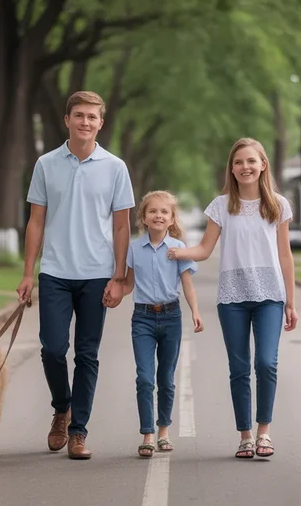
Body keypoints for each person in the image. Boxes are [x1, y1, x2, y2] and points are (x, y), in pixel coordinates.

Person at [17, 90, 135, 460]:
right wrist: (27, 273)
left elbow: (122, 227)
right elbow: (36, 222)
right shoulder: (46, 164)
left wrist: (119, 276)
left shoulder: (115, 167)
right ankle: (61, 409)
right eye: (79, 115)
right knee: (52, 349)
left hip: (97, 274)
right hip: (54, 271)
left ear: (101, 123)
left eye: (92, 117)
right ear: (67, 120)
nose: (86, 122)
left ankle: (78, 431)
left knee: (87, 354)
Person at [167, 137, 298, 460]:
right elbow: (204, 249)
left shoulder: (278, 205)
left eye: (251, 161)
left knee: (266, 362)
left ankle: (264, 432)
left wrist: (291, 302)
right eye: (239, 162)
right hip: (233, 298)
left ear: (263, 164)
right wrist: (175, 250)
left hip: (270, 295)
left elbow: (285, 255)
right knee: (239, 368)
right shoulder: (221, 206)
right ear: (232, 168)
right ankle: (245, 436)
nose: (245, 167)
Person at [119, 190, 203, 458]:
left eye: (164, 212)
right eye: (152, 211)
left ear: (171, 218)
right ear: (143, 217)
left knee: (165, 378)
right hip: (142, 317)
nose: (158, 215)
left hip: (171, 317)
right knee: (145, 378)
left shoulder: (178, 249)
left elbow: (187, 285)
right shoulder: (133, 248)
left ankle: (164, 430)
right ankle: (148, 434)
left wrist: (196, 312)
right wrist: (112, 293)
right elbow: (129, 284)